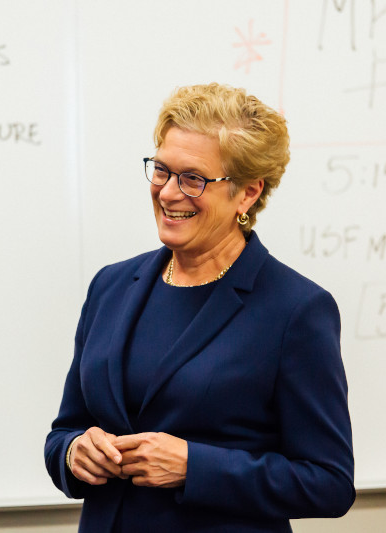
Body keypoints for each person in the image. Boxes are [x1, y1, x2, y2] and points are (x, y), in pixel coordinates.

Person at [45, 83, 354, 532]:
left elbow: (329, 482)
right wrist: (74, 452)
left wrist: (194, 467)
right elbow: (66, 430)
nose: (168, 193)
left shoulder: (297, 310)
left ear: (247, 194)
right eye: (161, 171)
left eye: (193, 179)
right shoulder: (111, 286)